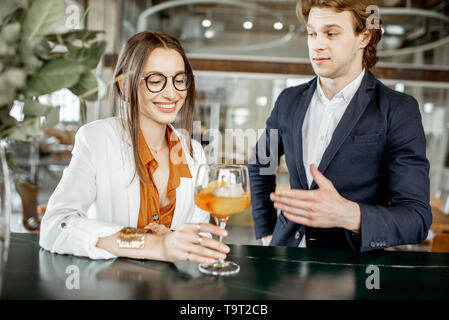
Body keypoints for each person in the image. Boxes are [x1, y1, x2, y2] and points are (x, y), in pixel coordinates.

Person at [249, 0, 432, 252]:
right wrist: (266, 229)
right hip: (284, 256)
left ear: (364, 36)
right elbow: (261, 162)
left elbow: (417, 219)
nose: (317, 44)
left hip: (350, 271)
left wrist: (349, 215)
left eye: (331, 33)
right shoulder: (288, 100)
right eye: (312, 33)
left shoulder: (397, 110)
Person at [40, 31, 230, 263]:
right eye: (156, 80)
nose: (172, 93)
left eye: (179, 80)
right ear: (125, 85)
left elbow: (196, 234)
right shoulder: (97, 138)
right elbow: (56, 227)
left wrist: (171, 238)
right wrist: (150, 243)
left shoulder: (194, 152)